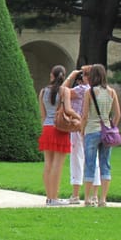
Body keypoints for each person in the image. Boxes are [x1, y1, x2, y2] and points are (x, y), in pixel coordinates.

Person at [81, 64, 121, 207]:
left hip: (92, 130)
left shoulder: (90, 92)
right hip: (107, 132)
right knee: (105, 164)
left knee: (90, 164)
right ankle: (103, 199)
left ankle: (87, 198)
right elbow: (118, 114)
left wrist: (82, 130)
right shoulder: (111, 92)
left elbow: (85, 115)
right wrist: (112, 126)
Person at [38, 65, 77, 206]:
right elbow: (67, 109)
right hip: (59, 129)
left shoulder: (43, 92)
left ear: (51, 76)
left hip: (47, 128)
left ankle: (49, 197)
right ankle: (54, 197)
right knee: (58, 165)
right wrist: (78, 117)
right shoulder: (64, 91)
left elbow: (42, 114)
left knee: (48, 163)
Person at [64, 65, 99, 204]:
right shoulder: (99, 91)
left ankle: (76, 194)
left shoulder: (81, 90)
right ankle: (95, 195)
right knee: (94, 160)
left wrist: (71, 76)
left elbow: (63, 91)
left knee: (77, 158)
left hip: (80, 126)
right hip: (95, 127)